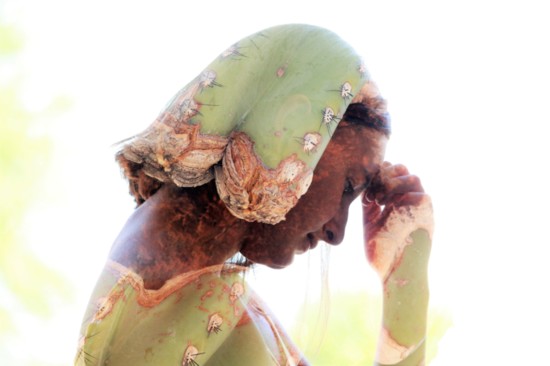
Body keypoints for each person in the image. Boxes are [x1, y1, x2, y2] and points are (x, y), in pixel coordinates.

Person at [75, 24, 432, 366]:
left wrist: (403, 269)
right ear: (289, 129)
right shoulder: (194, 303)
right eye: (347, 187)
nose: (337, 234)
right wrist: (406, 279)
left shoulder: (188, 282)